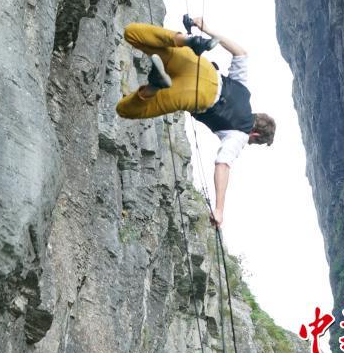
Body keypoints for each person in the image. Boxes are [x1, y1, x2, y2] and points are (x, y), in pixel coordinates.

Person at [116, 18, 276, 226]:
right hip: (196, 95)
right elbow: (223, 164)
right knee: (125, 109)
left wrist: (206, 29)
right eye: (253, 142)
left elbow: (241, 53)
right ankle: (154, 86)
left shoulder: (244, 90)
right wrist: (219, 209)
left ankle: (187, 41)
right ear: (255, 135)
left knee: (132, 33)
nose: (250, 142)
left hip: (200, 66)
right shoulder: (240, 135)